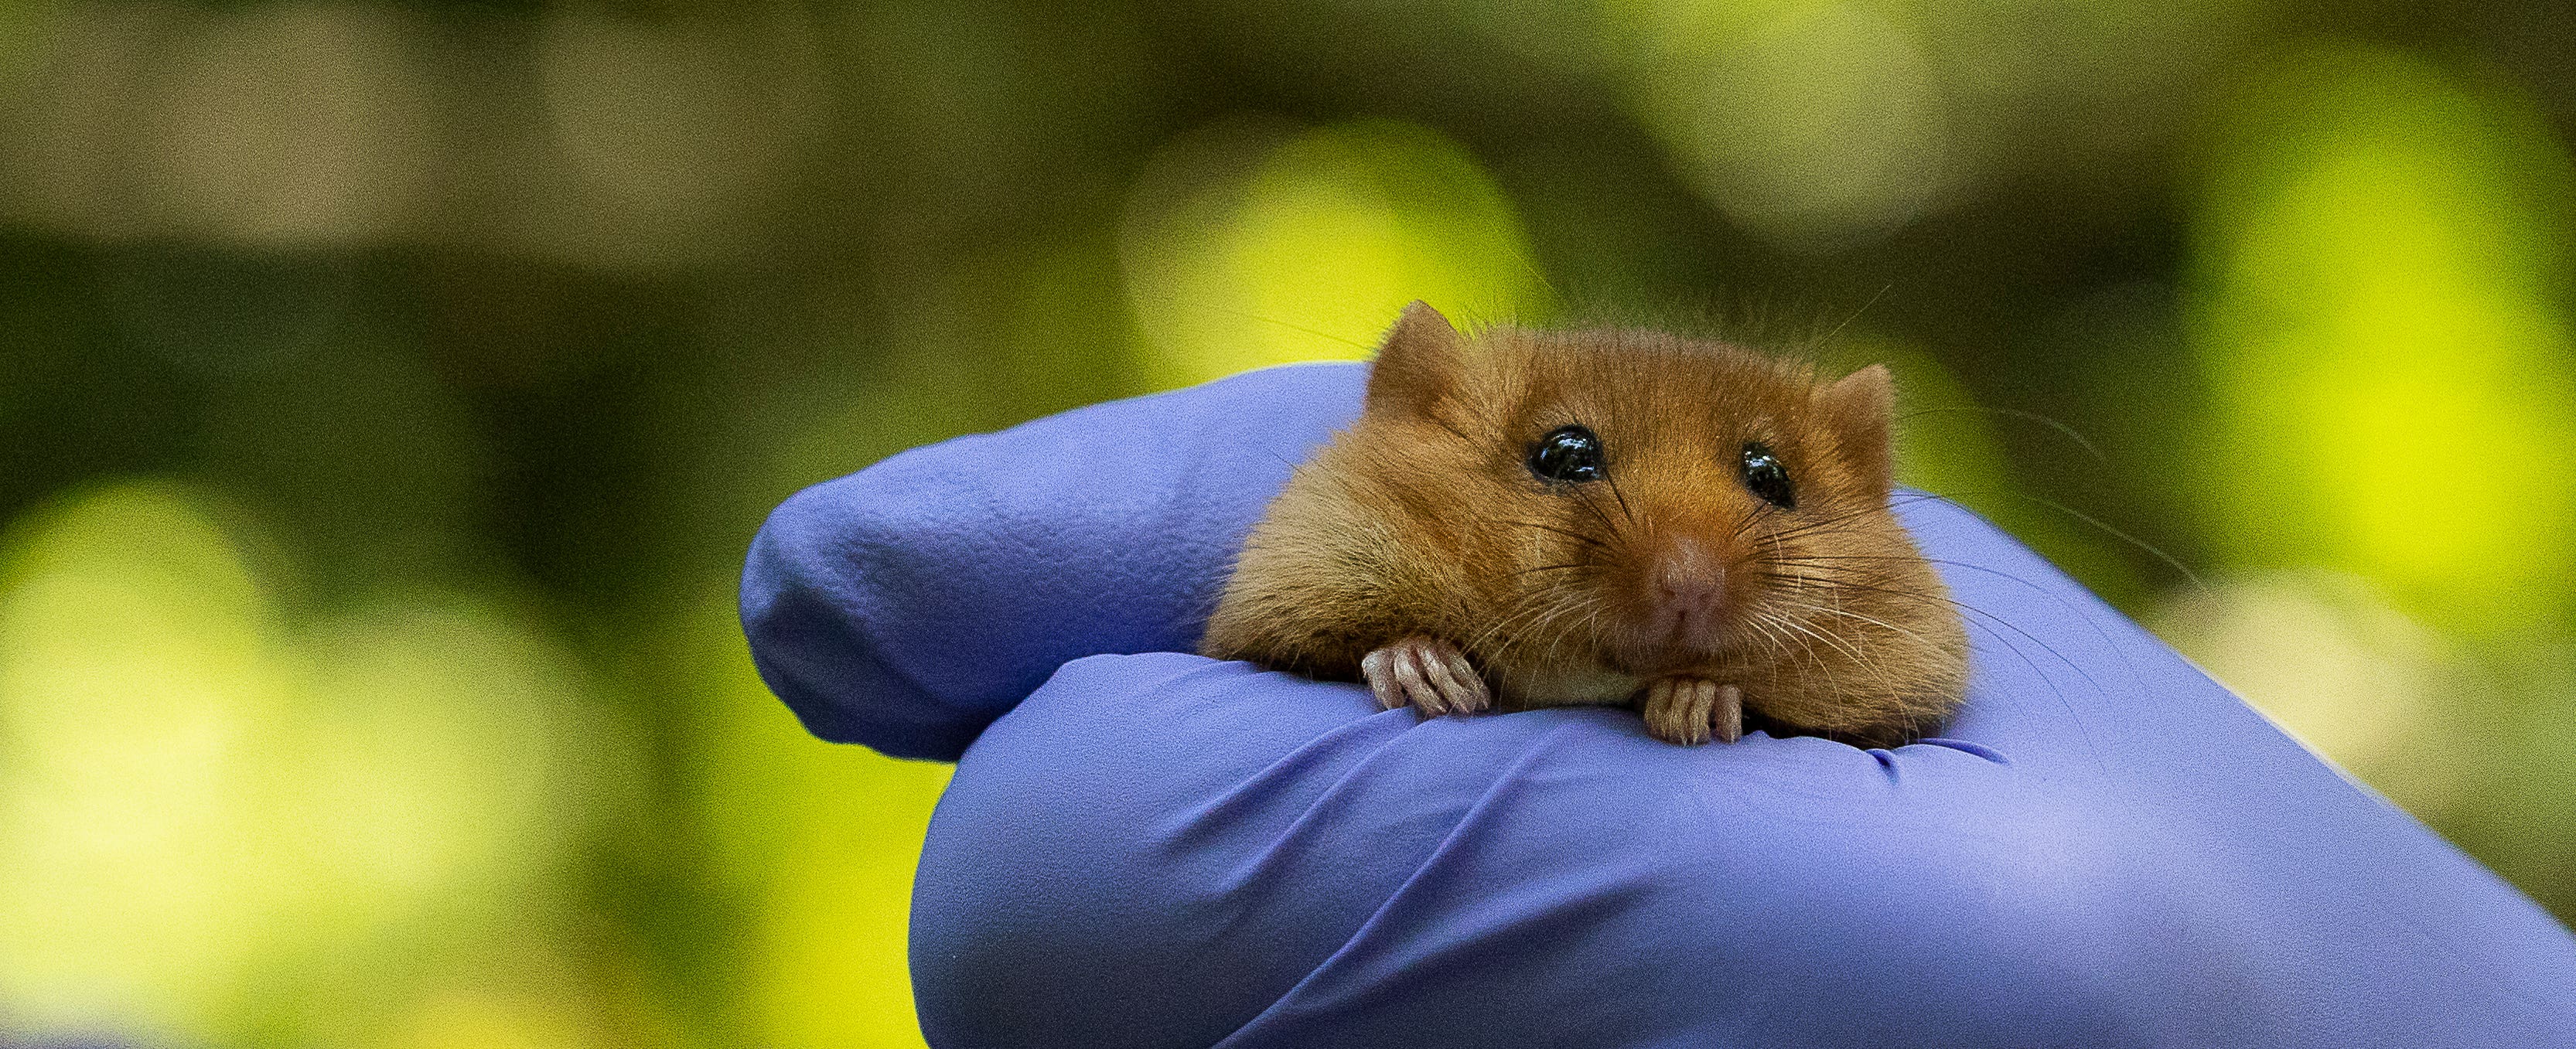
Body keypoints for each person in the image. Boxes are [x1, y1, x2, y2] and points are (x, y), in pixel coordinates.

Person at [742, 363, 2576, 1047]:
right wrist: (1373, 650)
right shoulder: (1384, 524)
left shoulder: (1893, 637)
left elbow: (1905, 684)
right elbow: (1285, 612)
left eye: (1768, 486)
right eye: (1564, 459)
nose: (1692, 551)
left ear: (1852, 472)